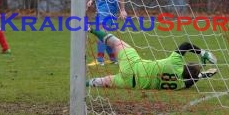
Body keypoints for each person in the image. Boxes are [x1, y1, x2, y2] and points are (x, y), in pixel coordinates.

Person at [86, 29, 218, 90]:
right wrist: (202, 75)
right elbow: (190, 82)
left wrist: (202, 52)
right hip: (133, 85)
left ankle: (90, 29)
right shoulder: (178, 85)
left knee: (117, 44)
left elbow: (186, 45)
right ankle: (85, 83)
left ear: (185, 65)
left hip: (134, 65)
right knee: (105, 81)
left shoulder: (175, 62)